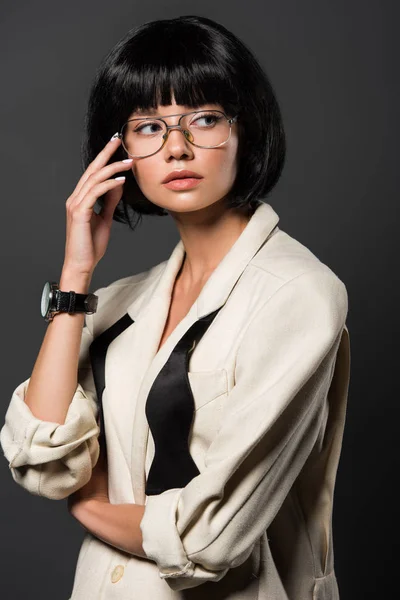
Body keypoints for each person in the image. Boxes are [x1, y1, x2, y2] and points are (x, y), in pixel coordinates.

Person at [0, 14, 351, 600]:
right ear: (120, 149)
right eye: (149, 127)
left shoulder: (300, 296)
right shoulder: (115, 302)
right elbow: (41, 457)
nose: (178, 147)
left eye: (205, 119)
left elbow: (209, 537)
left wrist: (89, 505)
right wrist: (75, 276)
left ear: (247, 131)